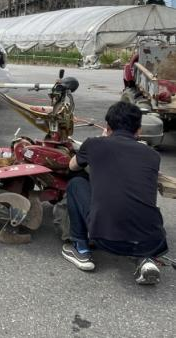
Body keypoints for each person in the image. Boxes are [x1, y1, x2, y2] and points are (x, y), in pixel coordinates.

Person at [62, 101, 168, 285]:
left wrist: (100, 141)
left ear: (108, 127)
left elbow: (72, 166)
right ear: (139, 130)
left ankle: (81, 248)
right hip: (153, 241)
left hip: (106, 240)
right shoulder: (152, 155)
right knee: (138, 196)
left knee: (76, 183)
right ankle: (145, 259)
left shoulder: (94, 144)